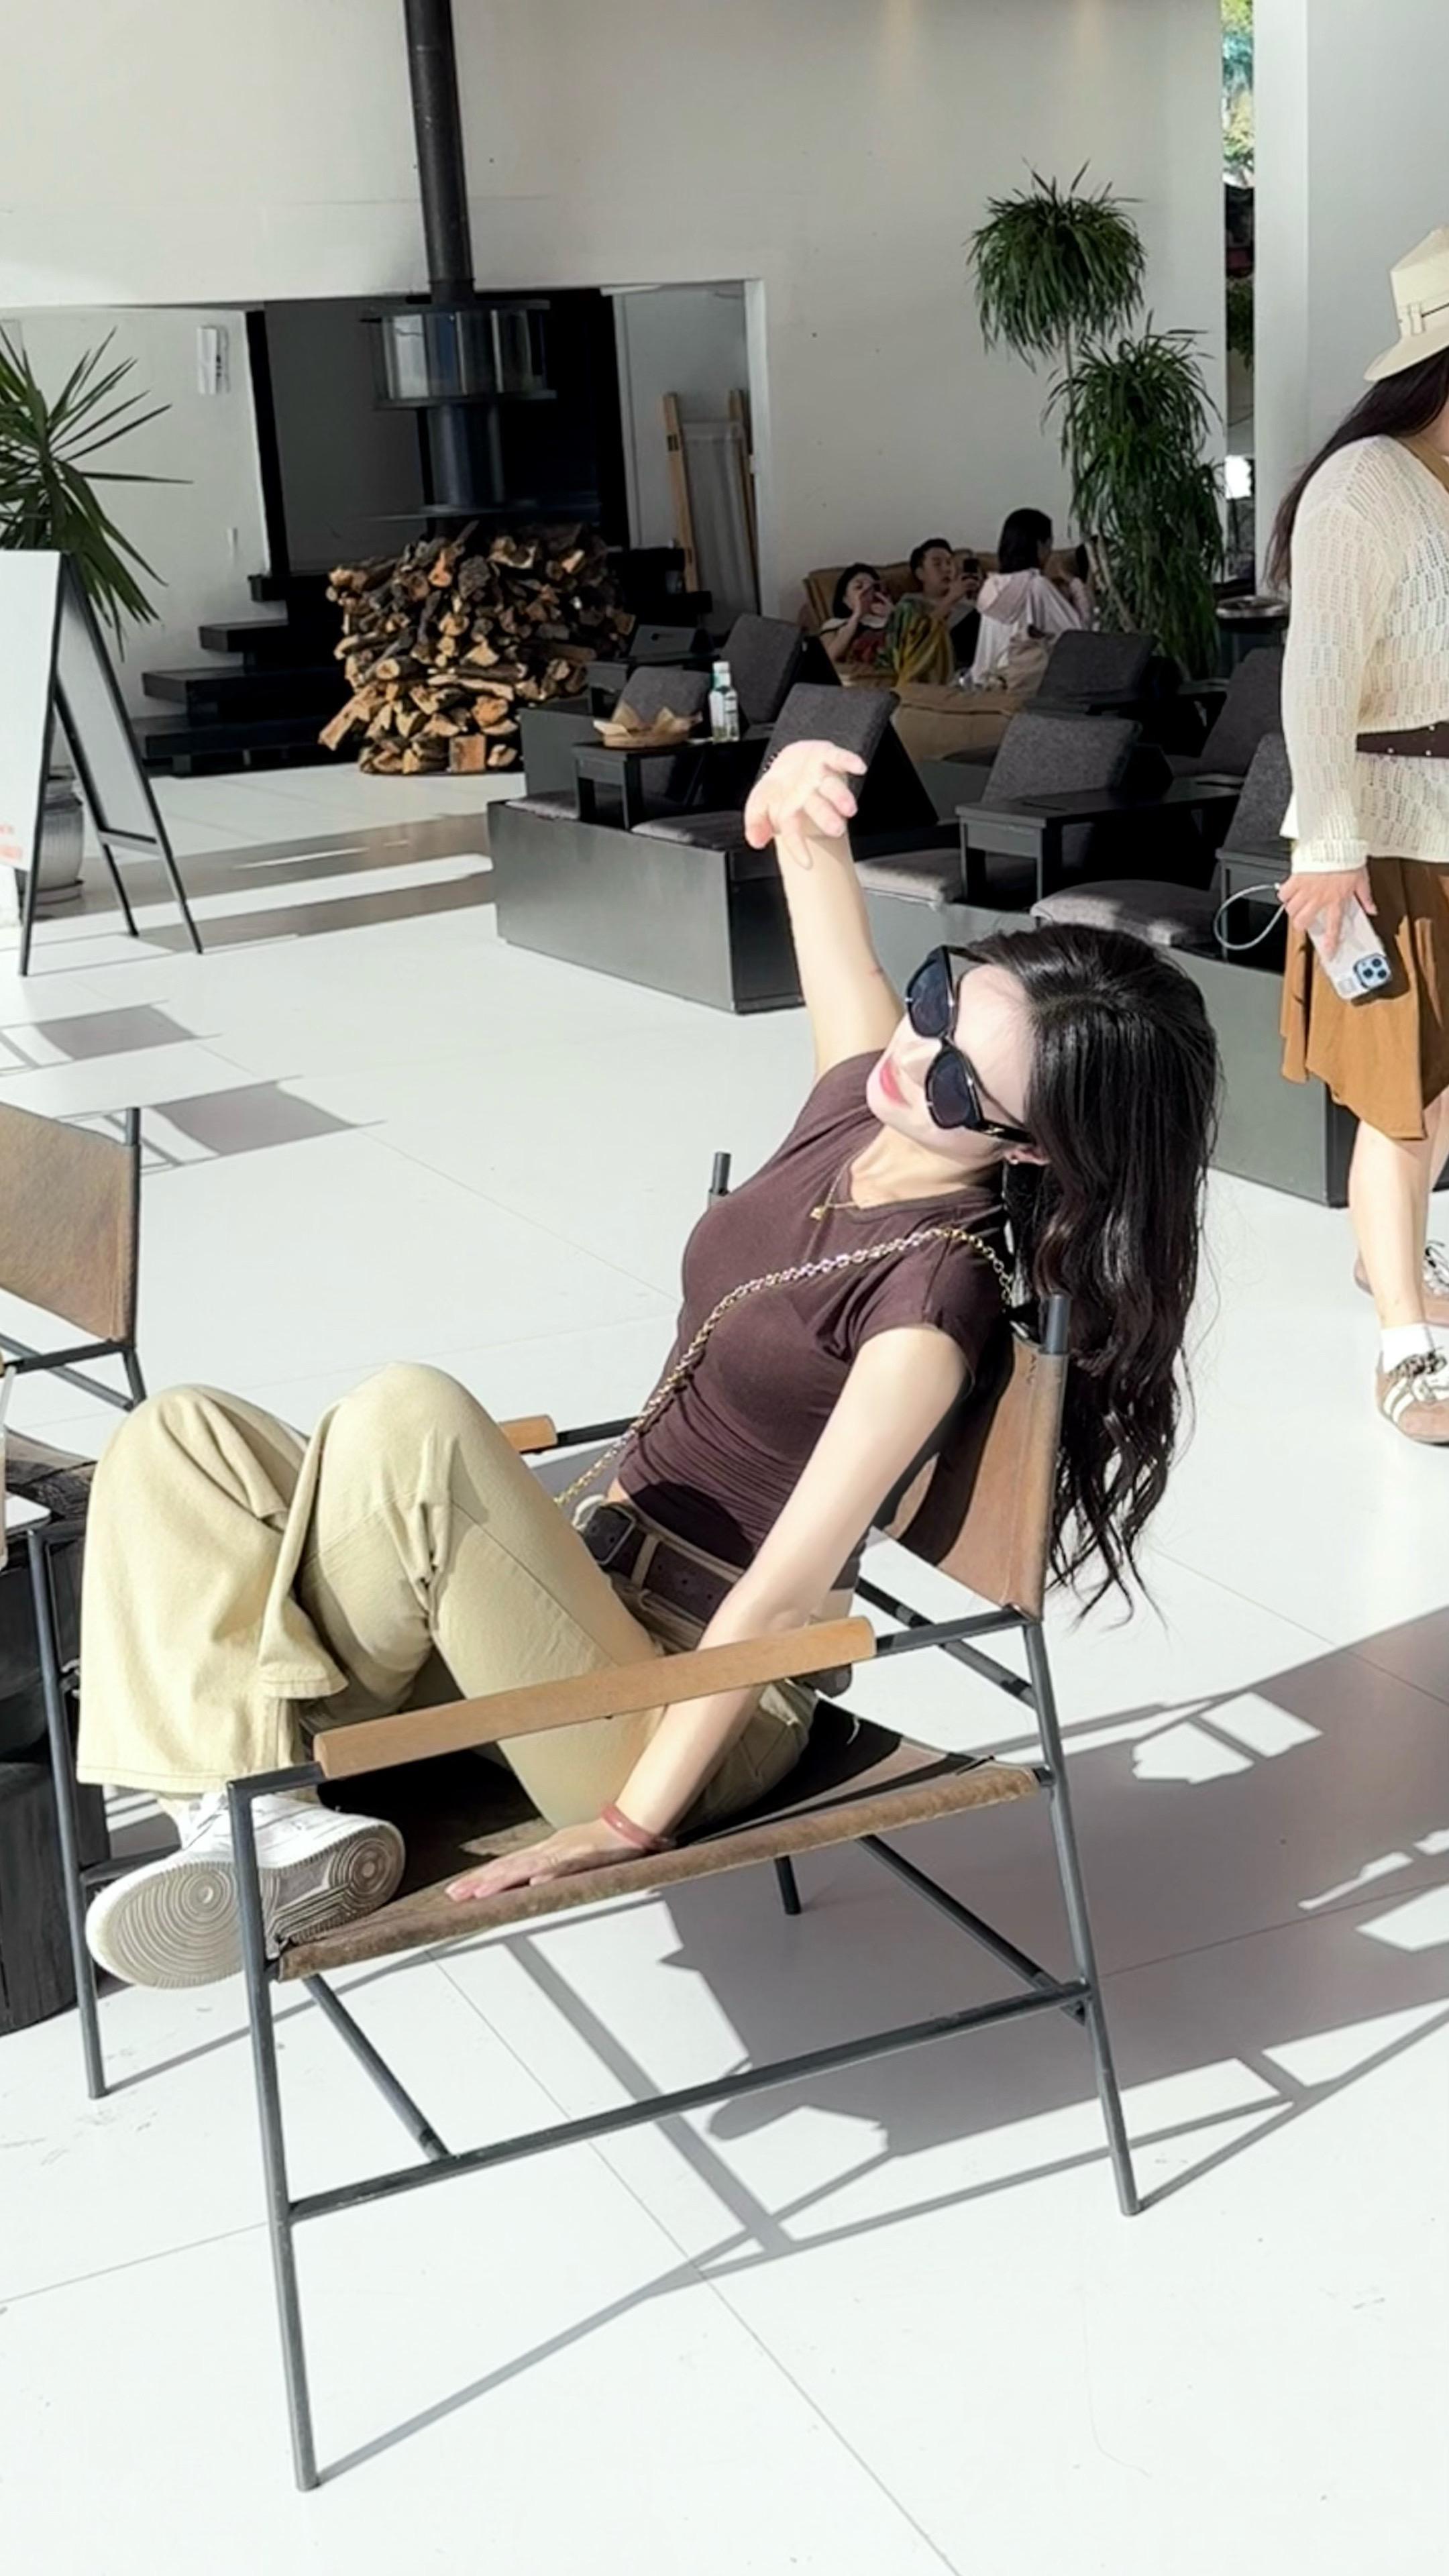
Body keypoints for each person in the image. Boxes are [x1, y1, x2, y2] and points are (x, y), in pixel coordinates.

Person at [76, 737, 1219, 1990]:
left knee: (412, 1419)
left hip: (676, 1700)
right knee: (177, 1435)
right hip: (566, 1598)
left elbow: (780, 1603)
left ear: (1033, 1148)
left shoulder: (930, 1307)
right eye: (938, 1000)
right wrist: (797, 792)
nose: (915, 1057)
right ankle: (260, 1818)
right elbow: (826, 910)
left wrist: (628, 1822)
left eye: (959, 1084)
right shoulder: (861, 1104)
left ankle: (243, 1783)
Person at [1269, 227, 1449, 1442]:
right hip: (1378, 841)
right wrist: (1327, 850)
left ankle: (1393, 1257)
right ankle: (1405, 1347)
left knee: (1443, 1087)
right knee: (1401, 1099)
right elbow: (1316, 680)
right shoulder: (1364, 484)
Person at [970, 509, 1091, 688]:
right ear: (1040, 546)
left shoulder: (990, 586)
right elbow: (1079, 635)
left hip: (984, 684)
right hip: (1024, 684)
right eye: (1049, 544)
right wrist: (1075, 583)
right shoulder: (1037, 586)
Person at [888, 537, 981, 684]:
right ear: (920, 574)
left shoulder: (969, 605)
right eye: (937, 564)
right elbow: (912, 647)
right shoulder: (909, 605)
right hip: (943, 674)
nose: (947, 569)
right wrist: (950, 599)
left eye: (949, 563)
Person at [820, 562, 894, 672]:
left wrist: (895, 615)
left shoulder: (892, 617)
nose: (866, 593)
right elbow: (829, 657)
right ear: (845, 599)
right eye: (859, 587)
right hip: (862, 675)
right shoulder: (836, 623)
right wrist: (856, 616)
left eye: (873, 588)